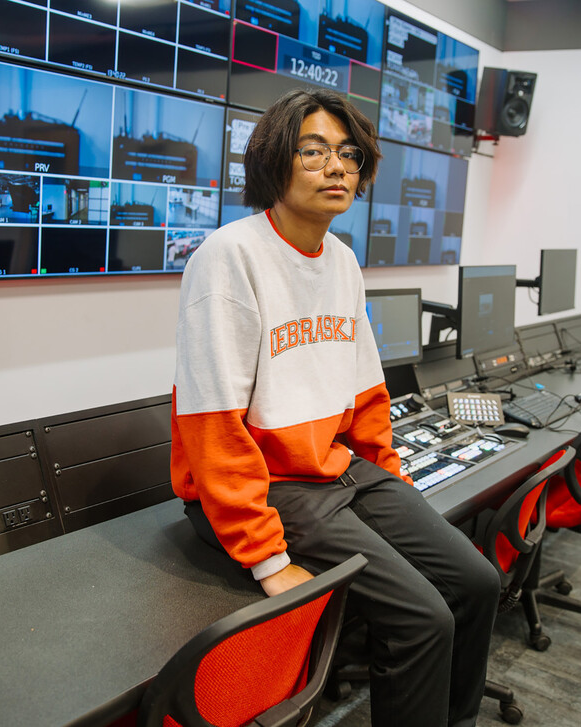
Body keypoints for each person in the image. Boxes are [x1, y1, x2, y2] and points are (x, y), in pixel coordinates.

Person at [169, 88, 499, 727]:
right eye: (313, 151)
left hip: (340, 472)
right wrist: (268, 562)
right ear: (275, 162)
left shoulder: (342, 260)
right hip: (271, 487)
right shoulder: (229, 257)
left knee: (477, 582)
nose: (336, 167)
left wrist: (390, 487)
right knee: (422, 617)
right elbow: (212, 427)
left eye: (348, 154)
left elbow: (366, 392)